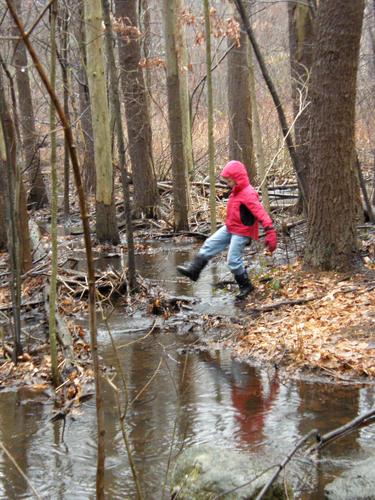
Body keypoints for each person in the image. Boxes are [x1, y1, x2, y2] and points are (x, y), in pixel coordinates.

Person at [177, 160, 277, 300]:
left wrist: (270, 231)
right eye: (227, 181)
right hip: (230, 227)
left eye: (229, 180)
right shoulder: (236, 191)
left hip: (242, 231)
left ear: (238, 179)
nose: (227, 184)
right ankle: (194, 270)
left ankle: (246, 285)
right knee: (210, 243)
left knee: (232, 260)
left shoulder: (248, 194)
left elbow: (261, 214)